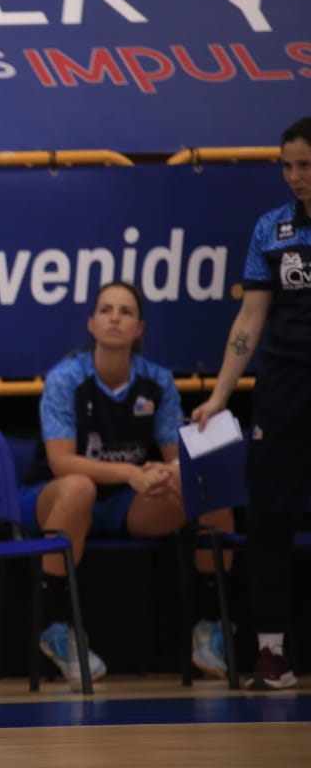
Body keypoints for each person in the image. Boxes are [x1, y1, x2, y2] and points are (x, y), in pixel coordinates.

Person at [21, 281, 235, 685]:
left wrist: (165, 473)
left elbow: (178, 460)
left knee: (209, 493)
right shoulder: (66, 378)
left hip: (125, 503)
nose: (115, 318)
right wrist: (132, 473)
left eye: (125, 311)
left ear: (140, 328)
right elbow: (61, 462)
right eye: (106, 310)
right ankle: (54, 627)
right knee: (79, 486)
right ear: (91, 324)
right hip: (54, 494)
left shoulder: (157, 381)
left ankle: (211, 627)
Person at [193, 116, 311, 691]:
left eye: (304, 165)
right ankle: (272, 652)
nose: (294, 176)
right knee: (268, 518)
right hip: (283, 388)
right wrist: (219, 395)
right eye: (287, 165)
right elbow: (251, 317)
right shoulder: (272, 228)